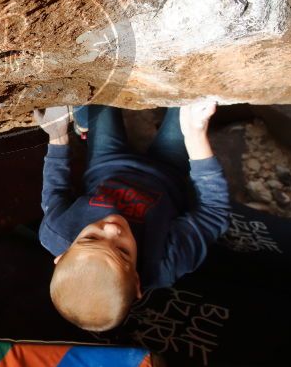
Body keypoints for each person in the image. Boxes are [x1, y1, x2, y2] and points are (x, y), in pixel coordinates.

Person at [33, 102, 230, 332]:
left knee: (100, 93)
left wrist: (57, 136)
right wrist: (196, 136)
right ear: (137, 281)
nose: (112, 229)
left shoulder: (56, 232)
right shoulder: (164, 264)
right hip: (168, 173)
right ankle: (87, 119)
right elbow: (214, 213)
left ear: (62, 255)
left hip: (106, 163)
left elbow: (56, 191)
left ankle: (85, 121)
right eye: (123, 251)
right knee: (189, 103)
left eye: (91, 239)